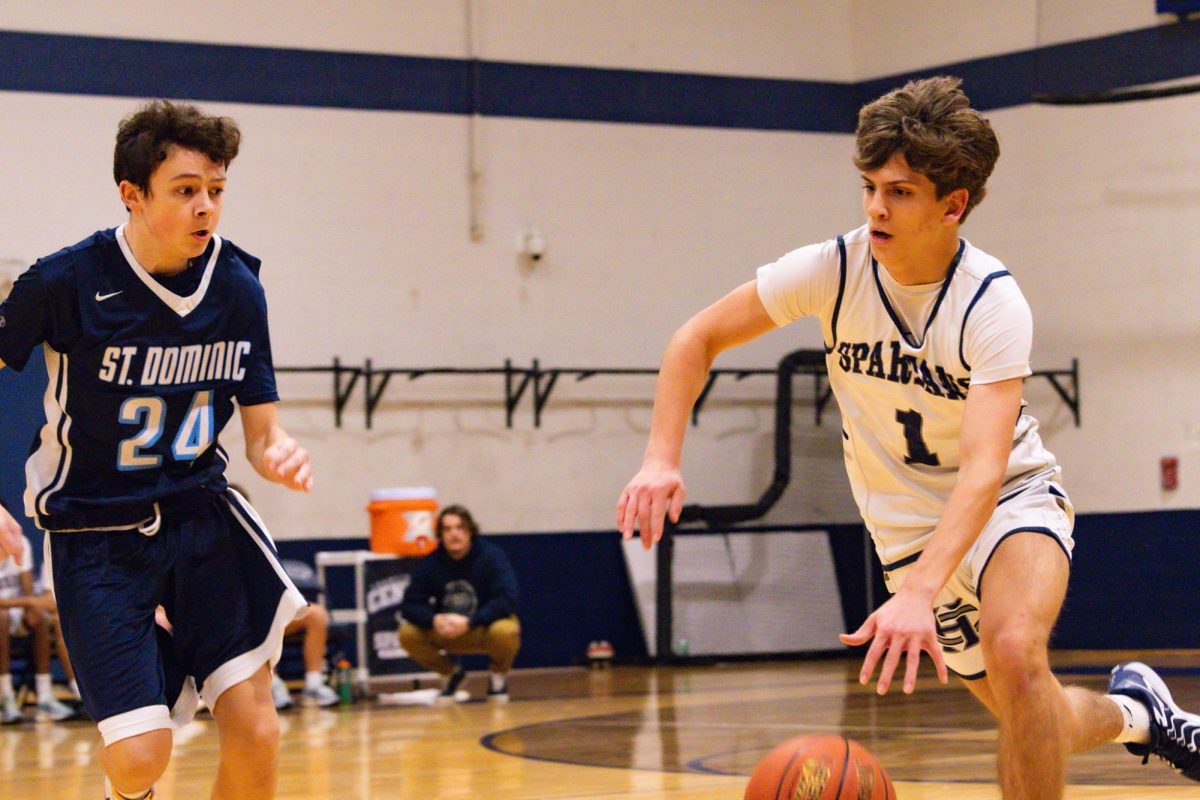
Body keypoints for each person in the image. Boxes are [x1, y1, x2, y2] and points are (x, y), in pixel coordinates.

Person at [616, 76, 1200, 799]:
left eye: (899, 192)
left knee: (1016, 651)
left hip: (1008, 504)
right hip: (906, 533)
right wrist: (660, 459)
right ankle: (1136, 715)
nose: (874, 208)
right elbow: (695, 338)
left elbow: (985, 471)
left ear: (952, 204)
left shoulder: (991, 302)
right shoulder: (835, 269)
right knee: (1032, 712)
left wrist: (923, 591)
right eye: (868, 186)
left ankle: (1130, 713)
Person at [0, 100, 312, 800]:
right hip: (97, 530)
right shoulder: (63, 281)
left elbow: (262, 430)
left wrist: (279, 451)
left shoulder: (236, 284)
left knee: (259, 731)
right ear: (132, 194)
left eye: (217, 190)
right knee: (140, 758)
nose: (206, 207)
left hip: (202, 516)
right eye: (186, 190)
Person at [399, 505, 520, 702]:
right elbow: (409, 605)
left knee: (507, 630)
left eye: (460, 528)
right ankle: (450, 674)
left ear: (470, 531)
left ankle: (498, 677)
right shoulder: (431, 563)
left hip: (482, 628)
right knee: (407, 634)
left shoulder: (492, 557)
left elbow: (507, 599)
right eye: (447, 529)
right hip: (447, 630)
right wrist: (434, 619)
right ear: (440, 535)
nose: (454, 534)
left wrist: (471, 621)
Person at [0, 532, 78, 722]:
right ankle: (6, 694)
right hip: (3, 614)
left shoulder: (18, 542)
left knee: (40, 617)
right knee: (2, 617)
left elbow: (31, 595)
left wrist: (31, 608)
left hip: (13, 608)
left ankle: (44, 695)